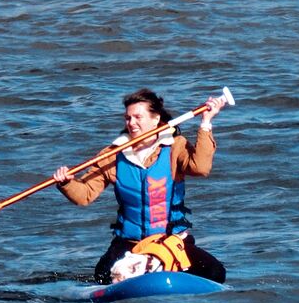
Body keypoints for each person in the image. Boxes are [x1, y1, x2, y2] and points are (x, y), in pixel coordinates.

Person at [53, 88, 226, 283]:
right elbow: (84, 195)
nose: (131, 123)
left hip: (169, 239)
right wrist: (66, 183)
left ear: (155, 119)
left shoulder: (175, 147)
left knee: (215, 273)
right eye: (128, 118)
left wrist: (205, 123)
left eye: (137, 117)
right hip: (130, 243)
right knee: (101, 275)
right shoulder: (112, 154)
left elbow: (201, 167)